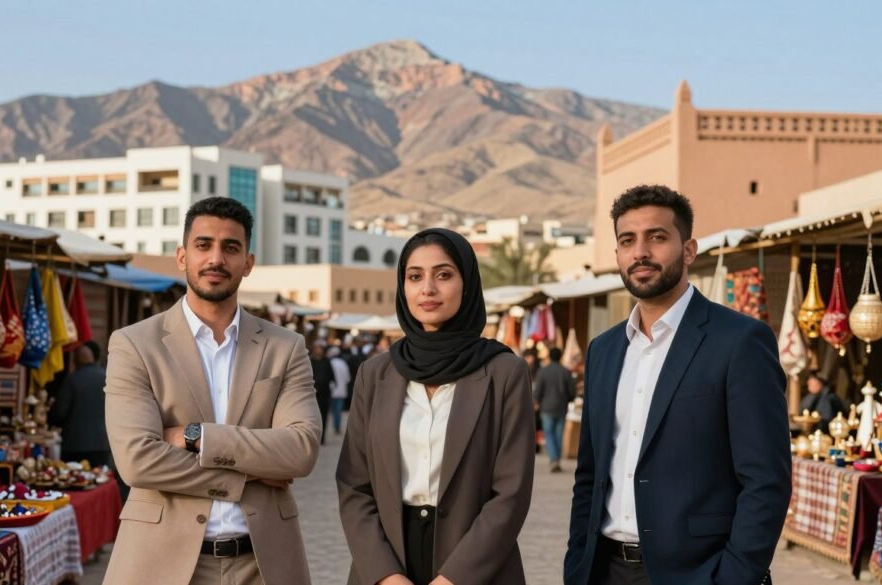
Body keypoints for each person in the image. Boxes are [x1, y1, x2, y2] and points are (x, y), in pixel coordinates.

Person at [564, 185, 791, 585]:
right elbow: (590, 475)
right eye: (627, 240)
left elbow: (766, 481)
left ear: (688, 250)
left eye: (657, 237)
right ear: (617, 254)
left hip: (699, 572)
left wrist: (734, 576)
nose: (640, 253)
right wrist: (577, 564)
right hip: (604, 571)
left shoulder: (739, 341)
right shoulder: (603, 350)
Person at [103, 197, 321, 585]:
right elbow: (137, 460)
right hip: (161, 564)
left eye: (230, 248)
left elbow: (301, 450)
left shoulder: (285, 347)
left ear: (248, 263)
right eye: (204, 245)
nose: (216, 259)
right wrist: (247, 477)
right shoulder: (135, 344)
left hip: (264, 563)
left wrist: (195, 437)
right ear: (182, 257)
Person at [337, 227, 535, 585]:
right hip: (387, 560)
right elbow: (354, 485)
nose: (427, 288)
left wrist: (453, 579)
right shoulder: (376, 374)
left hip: (476, 566)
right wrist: (385, 575)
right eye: (415, 277)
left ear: (468, 283)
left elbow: (511, 493)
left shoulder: (504, 372)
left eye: (443, 275)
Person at [49, 342, 110, 467]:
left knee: (75, 480)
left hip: (73, 445)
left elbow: (60, 412)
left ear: (78, 359)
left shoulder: (72, 380)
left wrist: (51, 420)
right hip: (101, 444)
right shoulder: (107, 378)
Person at [533, 346, 576, 473]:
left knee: (549, 434)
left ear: (549, 357)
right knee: (558, 434)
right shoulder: (566, 372)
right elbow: (572, 391)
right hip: (562, 407)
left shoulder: (543, 371)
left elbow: (538, 391)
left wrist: (537, 401)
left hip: (546, 407)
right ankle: (556, 458)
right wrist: (568, 399)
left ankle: (554, 459)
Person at [310, 341, 335, 444]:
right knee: (312, 417)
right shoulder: (310, 361)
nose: (318, 350)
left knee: (323, 416)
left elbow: (332, 376)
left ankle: (322, 437)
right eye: (317, 348)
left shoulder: (327, 361)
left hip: (324, 394)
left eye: (320, 348)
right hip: (312, 394)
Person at [328, 345, 351, 435]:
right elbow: (348, 378)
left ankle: (335, 425)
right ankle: (337, 426)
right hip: (341, 390)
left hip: (332, 390)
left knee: (333, 410)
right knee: (338, 410)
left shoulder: (329, 362)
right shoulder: (343, 363)